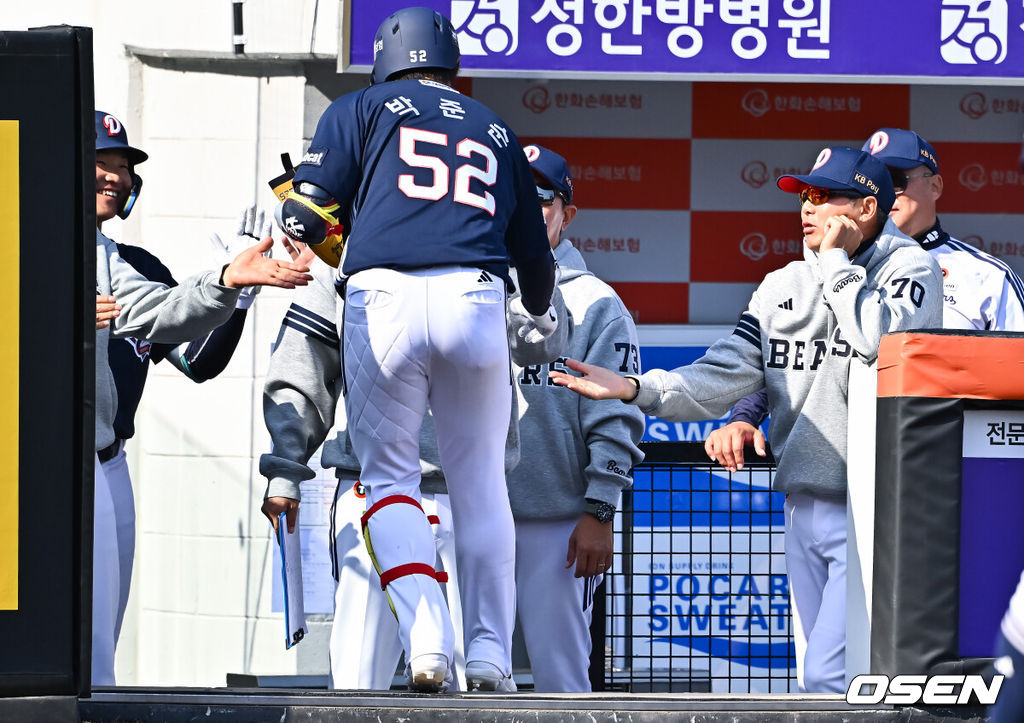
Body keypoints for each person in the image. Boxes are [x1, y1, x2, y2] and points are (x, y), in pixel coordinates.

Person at [550, 146, 943, 693]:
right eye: (804, 195)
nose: (807, 207)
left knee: (833, 676)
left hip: (878, 505)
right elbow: (724, 373)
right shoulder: (781, 284)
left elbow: (877, 342)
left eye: (824, 196)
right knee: (819, 677)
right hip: (802, 499)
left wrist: (836, 265)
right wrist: (638, 387)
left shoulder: (912, 266)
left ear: (866, 209)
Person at [260, 6, 557, 693]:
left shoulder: (360, 107)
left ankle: (429, 643)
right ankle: (486, 653)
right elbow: (536, 274)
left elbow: (303, 213)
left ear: (387, 57)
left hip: (382, 297)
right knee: (482, 483)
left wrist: (327, 229)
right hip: (476, 300)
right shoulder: (497, 129)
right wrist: (534, 308)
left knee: (387, 480)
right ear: (449, 62)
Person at [260, 244, 566, 691]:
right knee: (357, 681)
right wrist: (285, 467)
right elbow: (303, 368)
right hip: (373, 487)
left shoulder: (490, 241)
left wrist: (525, 267)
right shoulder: (349, 253)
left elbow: (547, 344)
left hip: (471, 498)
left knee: (477, 683)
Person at [93, 111, 312, 685]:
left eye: (123, 169)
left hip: (109, 461)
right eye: (102, 163)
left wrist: (234, 289)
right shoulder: (29, 250)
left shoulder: (130, 266)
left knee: (101, 632)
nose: (114, 177)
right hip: (46, 466)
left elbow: (198, 361)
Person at [706, 128, 1024, 472]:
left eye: (895, 179)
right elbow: (798, 359)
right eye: (873, 179)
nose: (884, 190)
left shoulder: (986, 275)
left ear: (935, 186)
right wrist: (744, 416)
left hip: (953, 460)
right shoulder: (831, 263)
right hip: (846, 468)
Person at [508, 145, 644, 692]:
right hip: (470, 513)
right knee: (468, 676)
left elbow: (615, 416)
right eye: (512, 195)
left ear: (567, 213)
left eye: (540, 198)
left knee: (560, 673)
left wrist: (599, 511)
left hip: (557, 522)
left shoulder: (596, 303)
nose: (525, 208)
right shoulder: (467, 288)